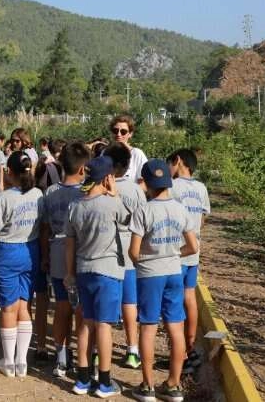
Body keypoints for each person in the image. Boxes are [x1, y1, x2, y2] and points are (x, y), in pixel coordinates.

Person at [129, 159, 199, 402]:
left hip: (150, 274)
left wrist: (148, 259)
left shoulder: (144, 211)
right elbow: (193, 247)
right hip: (174, 272)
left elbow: (134, 252)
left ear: (146, 183)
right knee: (175, 326)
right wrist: (173, 254)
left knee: (148, 327)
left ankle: (147, 386)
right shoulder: (181, 209)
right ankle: (173, 384)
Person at [64, 155, 130, 397]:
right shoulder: (111, 204)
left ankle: (82, 379)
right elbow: (129, 219)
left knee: (85, 324)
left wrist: (69, 273)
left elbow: (69, 244)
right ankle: (104, 382)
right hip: (108, 272)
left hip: (83, 270)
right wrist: (115, 194)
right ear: (107, 178)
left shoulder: (75, 205)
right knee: (104, 326)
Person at [0, 151, 44, 379]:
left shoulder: (4, 197)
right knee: (24, 305)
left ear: (9, 172)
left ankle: (8, 362)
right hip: (30, 251)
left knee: (8, 308)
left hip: (7, 252)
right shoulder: (38, 194)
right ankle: (22, 362)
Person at [40, 141, 89, 374]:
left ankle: (61, 357)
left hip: (57, 250)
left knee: (61, 306)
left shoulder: (50, 192)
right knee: (81, 310)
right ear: (82, 168)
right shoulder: (85, 192)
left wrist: (45, 255)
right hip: (80, 252)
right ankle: (84, 358)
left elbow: (45, 228)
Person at [167, 148, 210, 374]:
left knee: (174, 304)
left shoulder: (172, 187)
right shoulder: (201, 188)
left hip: (177, 252)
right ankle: (190, 347)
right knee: (189, 296)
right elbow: (202, 220)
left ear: (178, 161)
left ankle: (179, 353)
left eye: (169, 164)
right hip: (194, 251)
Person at [107, 143, 147, 369]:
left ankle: (98, 351)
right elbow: (144, 220)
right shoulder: (136, 190)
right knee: (130, 302)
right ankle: (133, 350)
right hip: (131, 250)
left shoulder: (102, 186)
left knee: (107, 304)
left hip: (108, 252)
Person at [108, 115, 147, 181]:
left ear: (130, 134)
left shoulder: (136, 154)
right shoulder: (105, 152)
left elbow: (144, 181)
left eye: (123, 132)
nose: (118, 134)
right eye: (115, 130)